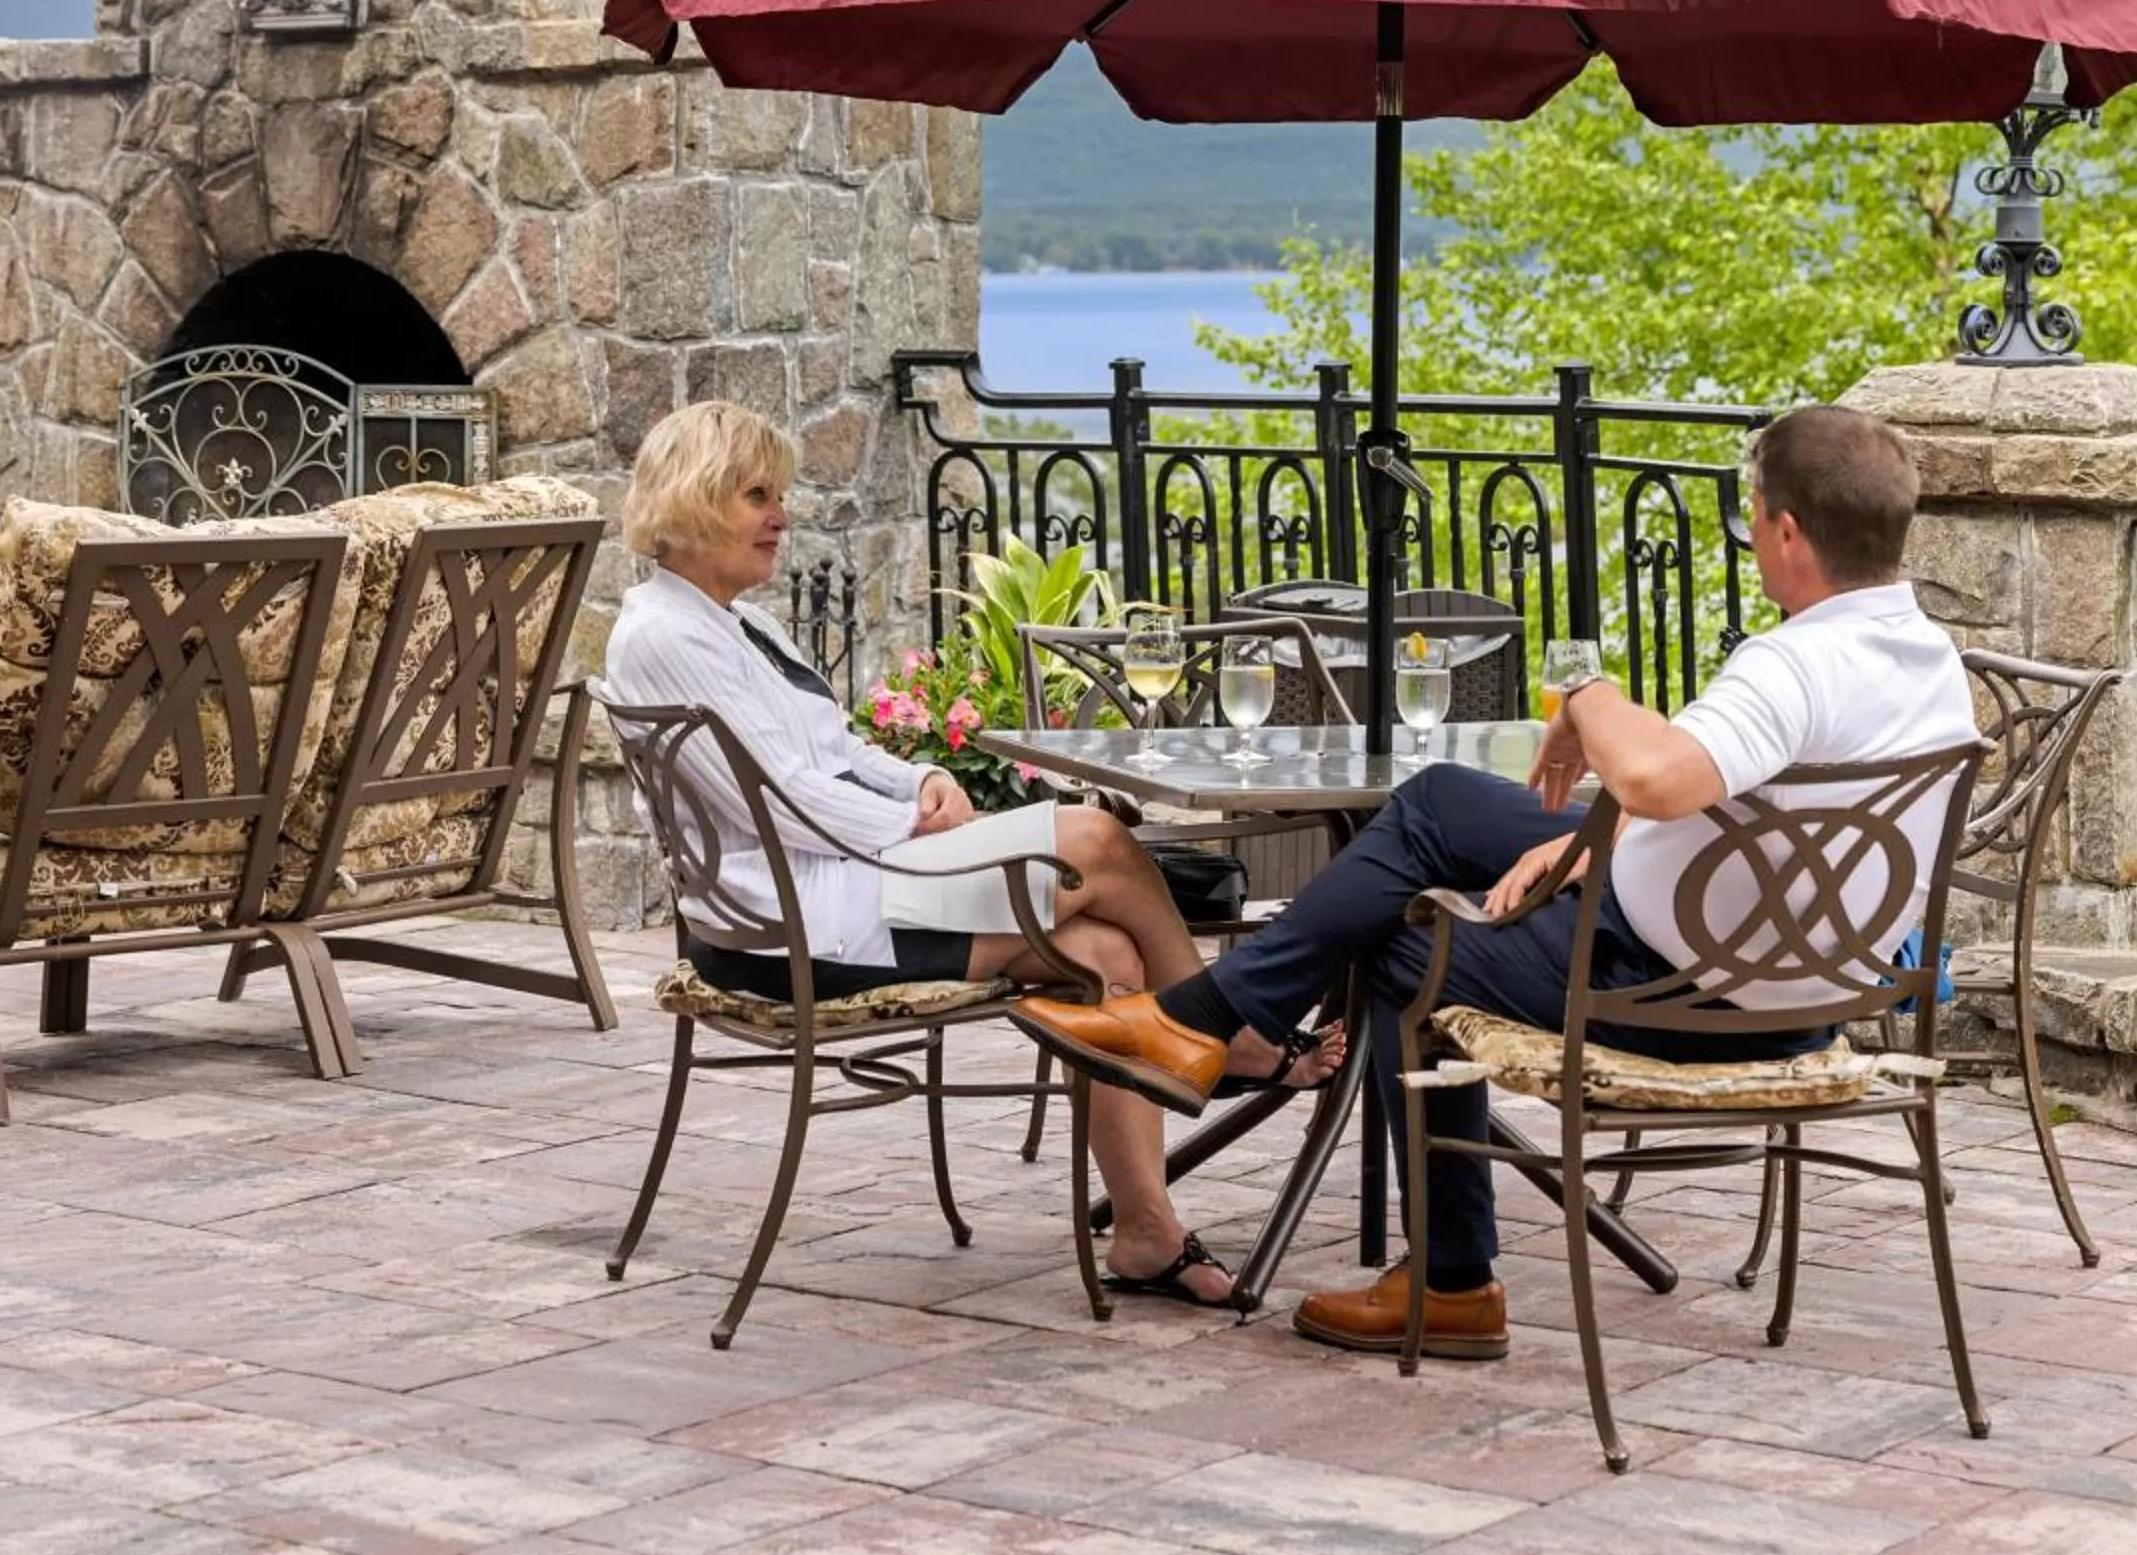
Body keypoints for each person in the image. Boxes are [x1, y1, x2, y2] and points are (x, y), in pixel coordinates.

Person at [1009, 404, 1976, 1357]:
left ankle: (1451, 1279)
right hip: (1808, 988)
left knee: (1397, 944)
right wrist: (1597, 842)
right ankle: (1208, 1018)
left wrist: (1587, 695)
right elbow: (1753, 819)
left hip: (1676, 988)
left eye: (1753, 516)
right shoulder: (1929, 661)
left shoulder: (1795, 665)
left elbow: (1655, 777)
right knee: (1439, 805)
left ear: (1787, 530)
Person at [603, 401, 1341, 1309]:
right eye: (758, 495)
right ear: (696, 499)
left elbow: (829, 752)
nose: (780, 515)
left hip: (843, 887)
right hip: (803, 927)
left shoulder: (731, 624)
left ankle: (1147, 1234)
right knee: (1097, 838)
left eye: (778, 494)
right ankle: (1227, 1034)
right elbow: (783, 803)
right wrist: (917, 828)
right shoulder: (666, 635)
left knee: (1108, 957)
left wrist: (917, 781)